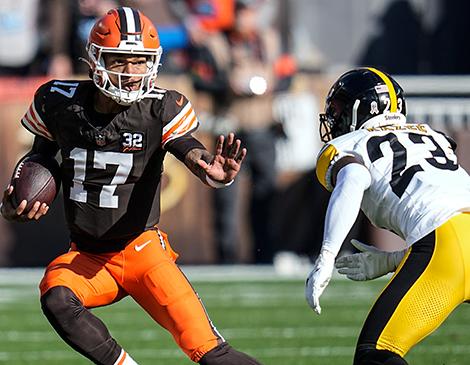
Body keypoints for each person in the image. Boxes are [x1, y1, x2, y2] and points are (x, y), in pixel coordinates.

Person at [0, 7, 264, 365]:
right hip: (87, 257)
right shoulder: (58, 102)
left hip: (143, 253)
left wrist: (208, 169)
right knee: (56, 296)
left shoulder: (159, 108)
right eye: (120, 60)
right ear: (95, 60)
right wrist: (14, 203)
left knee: (210, 352)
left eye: (140, 62)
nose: (130, 72)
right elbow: (40, 157)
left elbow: (187, 148)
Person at [304, 67, 470, 364]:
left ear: (359, 110)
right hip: (450, 238)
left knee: (377, 356)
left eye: (338, 110)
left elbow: (353, 178)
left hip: (446, 245)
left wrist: (327, 255)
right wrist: (394, 260)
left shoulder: (349, 144)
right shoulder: (434, 136)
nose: (333, 118)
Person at [189, 0, 296, 263]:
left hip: (263, 128)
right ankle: (227, 258)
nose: (245, 17)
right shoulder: (215, 42)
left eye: (249, 11)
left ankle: (265, 256)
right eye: (241, 11)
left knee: (265, 196)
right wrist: (226, 84)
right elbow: (198, 79)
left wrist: (274, 85)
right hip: (229, 130)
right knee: (225, 199)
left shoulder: (269, 40)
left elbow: (288, 75)